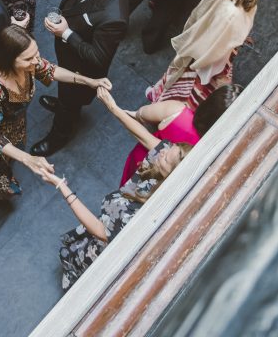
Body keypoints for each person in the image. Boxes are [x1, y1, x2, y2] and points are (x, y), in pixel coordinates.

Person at [43, 86, 192, 291]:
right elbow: (142, 135)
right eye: (170, 148)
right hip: (111, 215)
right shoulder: (165, 155)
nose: (163, 152)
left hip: (105, 242)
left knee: (86, 260)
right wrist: (113, 107)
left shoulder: (141, 212)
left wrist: (61, 186)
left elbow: (100, 231)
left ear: (172, 177)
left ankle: (73, 275)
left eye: (167, 159)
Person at [0, 25, 110, 224]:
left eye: (36, 53)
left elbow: (50, 69)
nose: (36, 61)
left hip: (15, 125)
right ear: (9, 59)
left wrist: (89, 81)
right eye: (28, 58)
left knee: (11, 159)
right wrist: (28, 159)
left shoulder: (30, 64)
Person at [147, 0, 278, 109]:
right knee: (187, 91)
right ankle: (164, 109)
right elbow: (212, 53)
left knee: (177, 79)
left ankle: (159, 97)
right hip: (205, 59)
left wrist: (237, 35)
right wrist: (219, 75)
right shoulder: (232, 14)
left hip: (201, 45)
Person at [31, 0, 130, 156]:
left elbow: (98, 57)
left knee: (70, 103)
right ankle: (64, 103)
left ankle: (59, 135)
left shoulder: (114, 17)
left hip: (81, 68)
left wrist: (66, 33)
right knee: (65, 94)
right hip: (69, 55)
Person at [120, 83, 241, 186]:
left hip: (142, 160)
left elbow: (142, 114)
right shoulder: (212, 154)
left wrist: (132, 114)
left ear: (209, 101)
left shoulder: (177, 111)